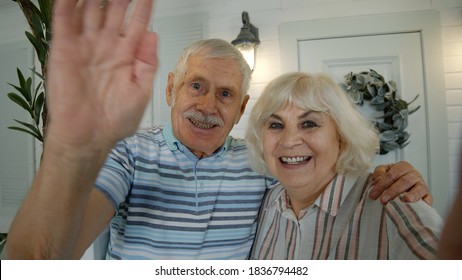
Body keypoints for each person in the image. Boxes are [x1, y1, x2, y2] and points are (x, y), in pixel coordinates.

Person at [6, 0, 431, 260]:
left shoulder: (261, 164)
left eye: (226, 94)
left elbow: (318, 182)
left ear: (242, 107)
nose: (208, 106)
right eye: (196, 86)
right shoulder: (128, 154)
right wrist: (70, 147)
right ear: (171, 87)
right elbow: (41, 260)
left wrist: (389, 177)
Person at [246, 72, 443, 259]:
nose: (289, 141)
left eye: (309, 124)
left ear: (341, 136)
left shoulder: (391, 202)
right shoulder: (266, 204)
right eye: (275, 125)